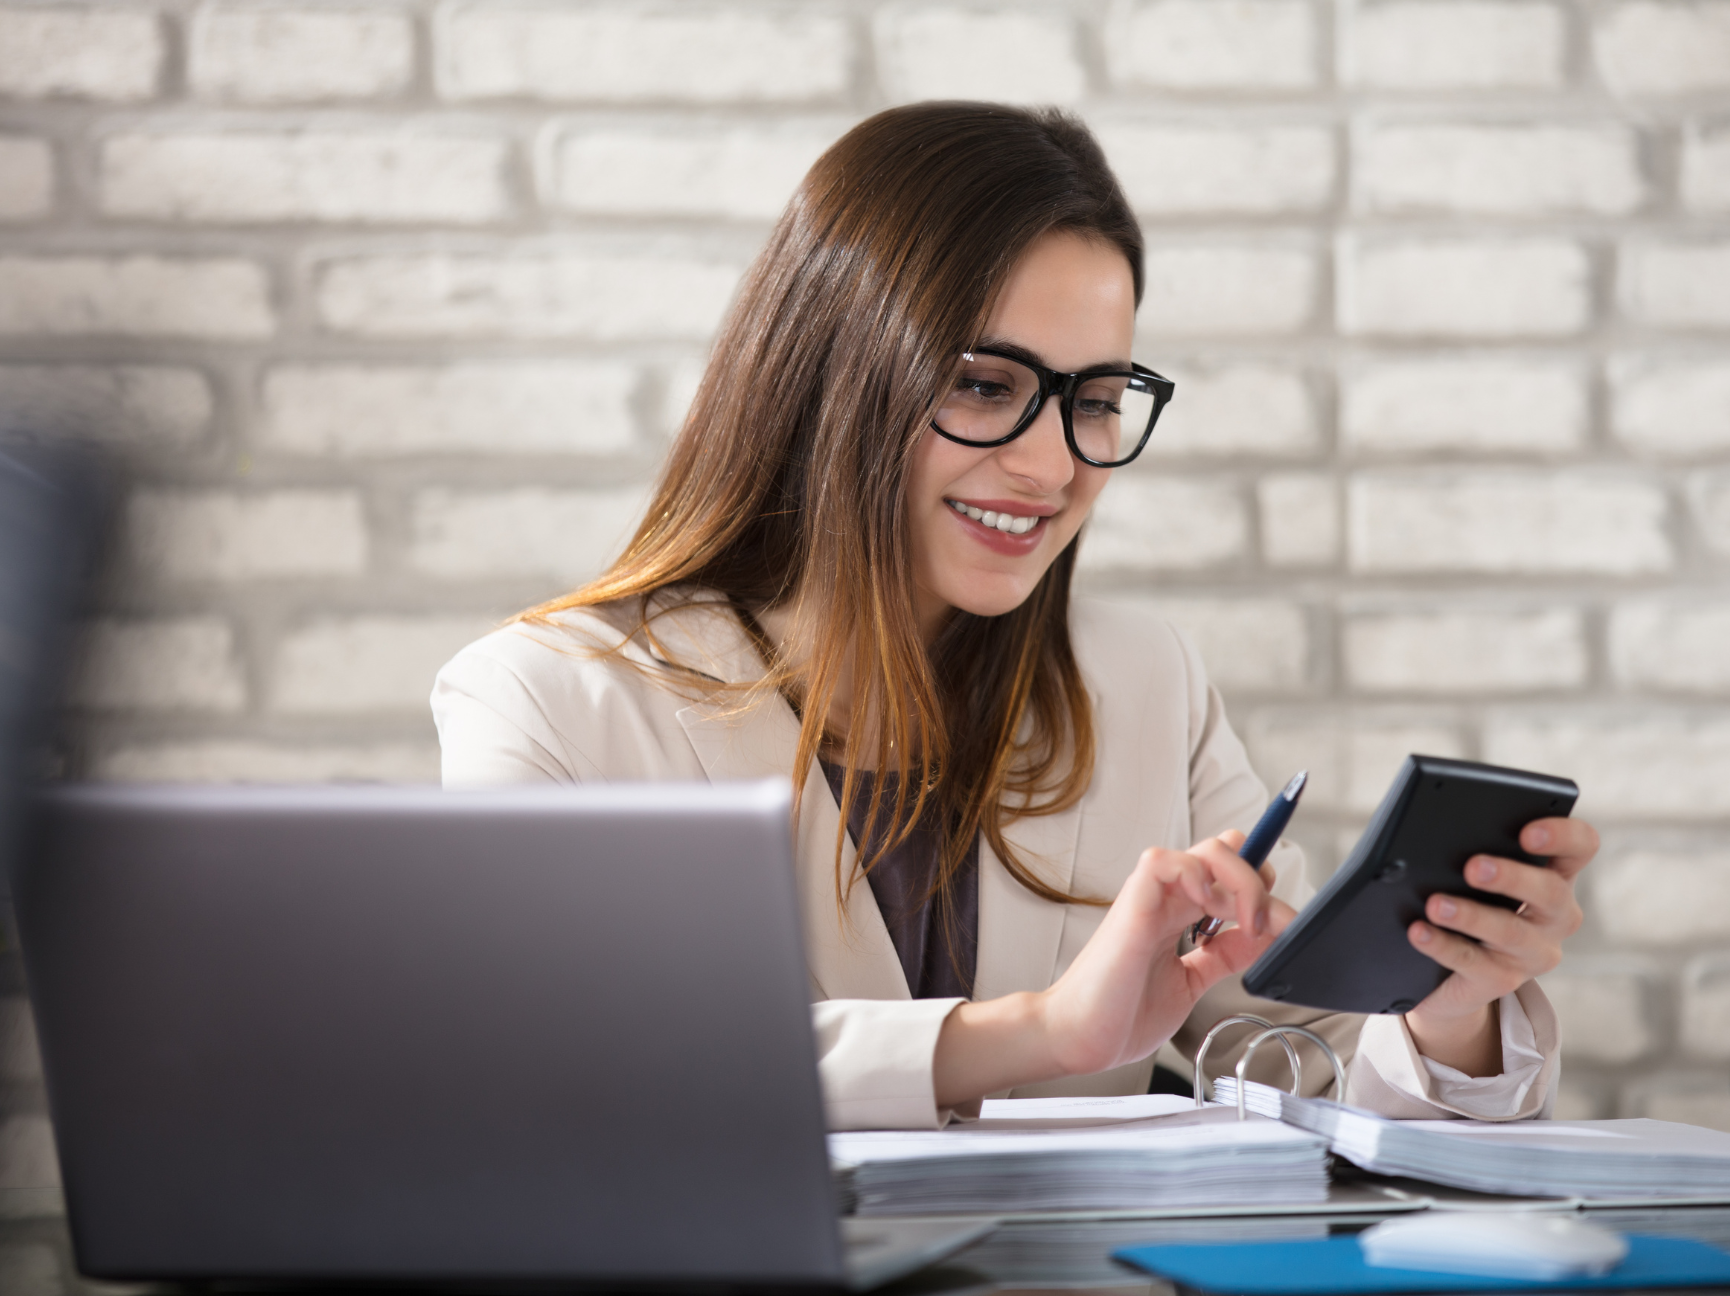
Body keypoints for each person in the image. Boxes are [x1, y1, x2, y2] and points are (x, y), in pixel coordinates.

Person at [432, 102, 1598, 1132]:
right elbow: (550, 1073)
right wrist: (1042, 1032)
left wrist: (1444, 1008)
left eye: (1095, 401)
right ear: (834, 376)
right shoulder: (546, 701)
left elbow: (1316, 1075)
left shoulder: (1145, 683)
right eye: (985, 386)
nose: (1051, 465)